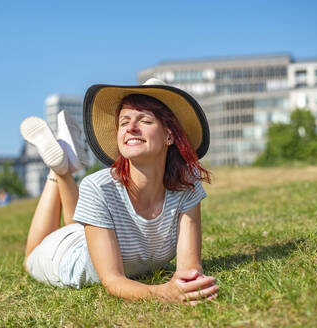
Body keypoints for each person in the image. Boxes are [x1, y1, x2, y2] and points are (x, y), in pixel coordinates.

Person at [20, 78, 218, 304]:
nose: (131, 127)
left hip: (97, 235)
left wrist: (188, 282)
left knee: (77, 226)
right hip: (67, 256)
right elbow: (113, 281)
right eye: (124, 122)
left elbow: (190, 268)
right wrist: (163, 293)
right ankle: (57, 172)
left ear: (169, 136)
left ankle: (64, 166)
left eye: (144, 120)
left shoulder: (187, 184)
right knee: (30, 257)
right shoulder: (98, 187)